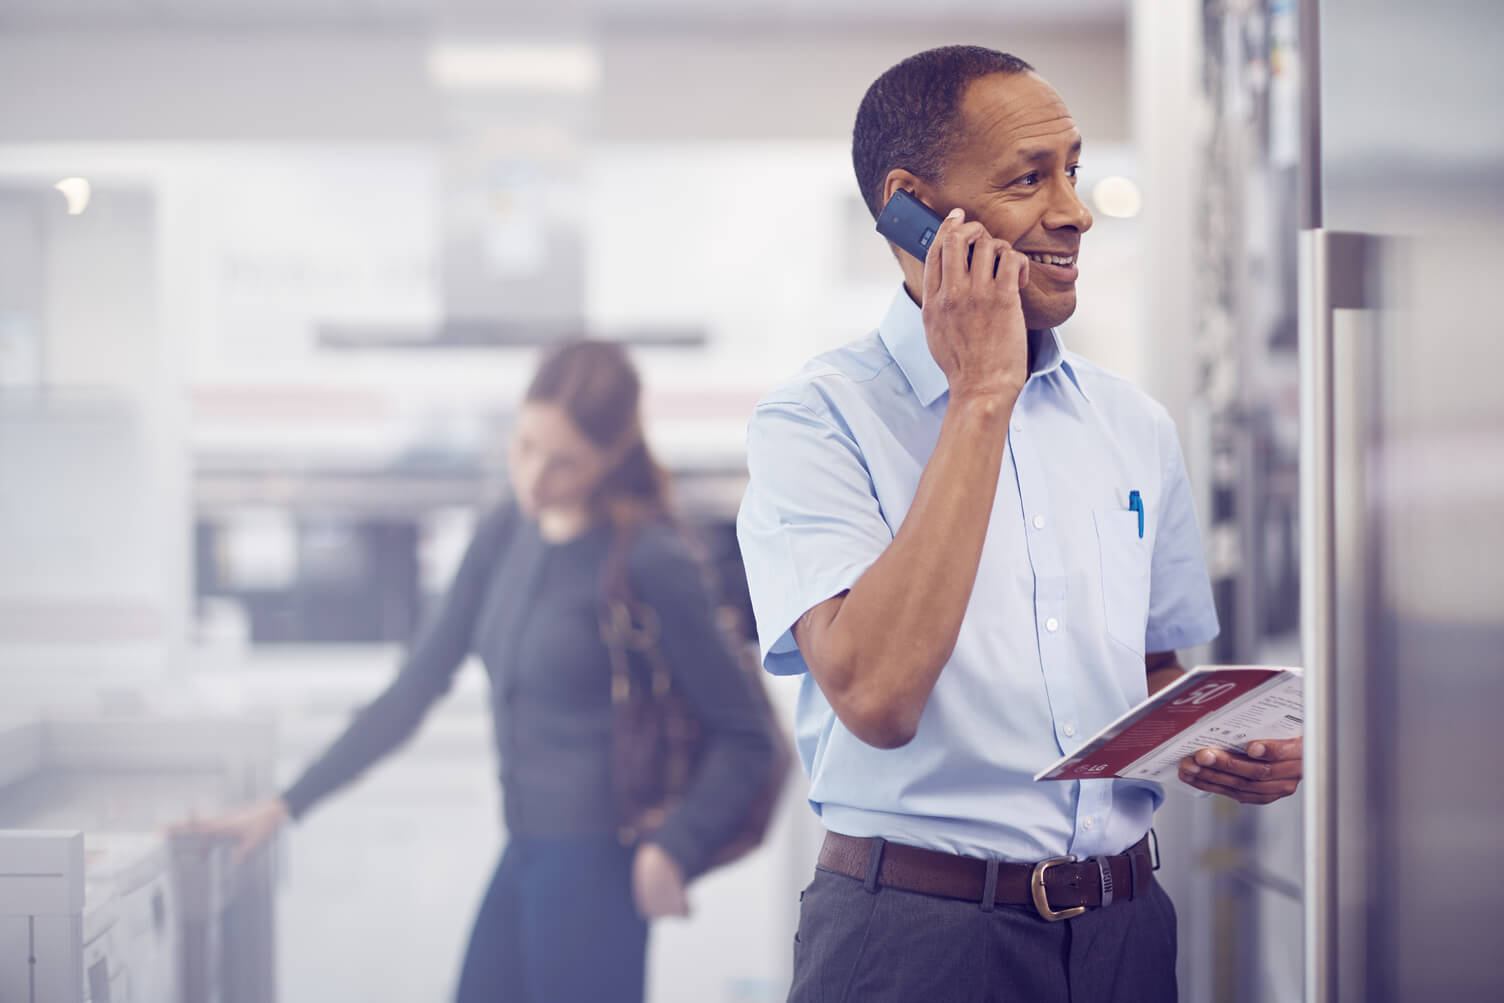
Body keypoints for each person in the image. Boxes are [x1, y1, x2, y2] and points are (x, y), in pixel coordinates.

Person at [735, 45, 1302, 1002]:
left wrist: (1216, 735)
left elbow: (1151, 670)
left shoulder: (1133, 425)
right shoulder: (815, 420)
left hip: (1126, 929)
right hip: (918, 941)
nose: (1074, 210)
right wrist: (981, 392)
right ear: (912, 207)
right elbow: (876, 694)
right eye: (1028, 178)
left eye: (1073, 170)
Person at [190, 340, 777, 1003]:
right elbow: (415, 686)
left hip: (596, 873)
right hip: (526, 854)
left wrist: (673, 846)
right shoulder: (506, 532)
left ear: (612, 457)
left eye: (563, 463)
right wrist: (284, 803)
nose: (533, 477)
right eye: (524, 445)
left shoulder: (649, 555)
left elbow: (749, 737)